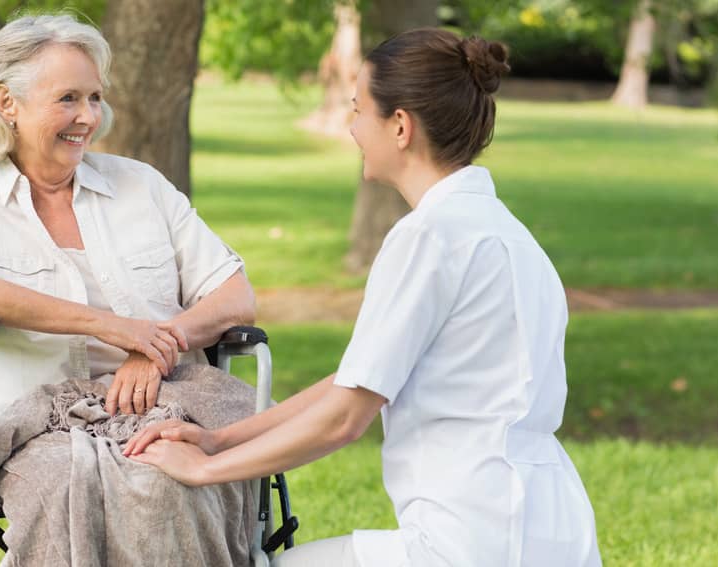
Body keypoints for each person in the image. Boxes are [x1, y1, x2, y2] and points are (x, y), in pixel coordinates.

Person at [125, 28, 603, 567]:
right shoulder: (509, 234)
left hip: (469, 540)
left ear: (400, 126)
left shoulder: (429, 237)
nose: (351, 128)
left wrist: (206, 469)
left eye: (358, 110)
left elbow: (344, 418)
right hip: (556, 532)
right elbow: (356, 381)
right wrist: (220, 439)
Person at [0, 14, 255, 433]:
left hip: (169, 406)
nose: (88, 117)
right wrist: (111, 325)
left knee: (168, 464)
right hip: (44, 427)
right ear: (7, 103)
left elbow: (236, 296)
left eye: (94, 97)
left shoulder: (142, 185)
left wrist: (154, 348)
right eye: (68, 99)